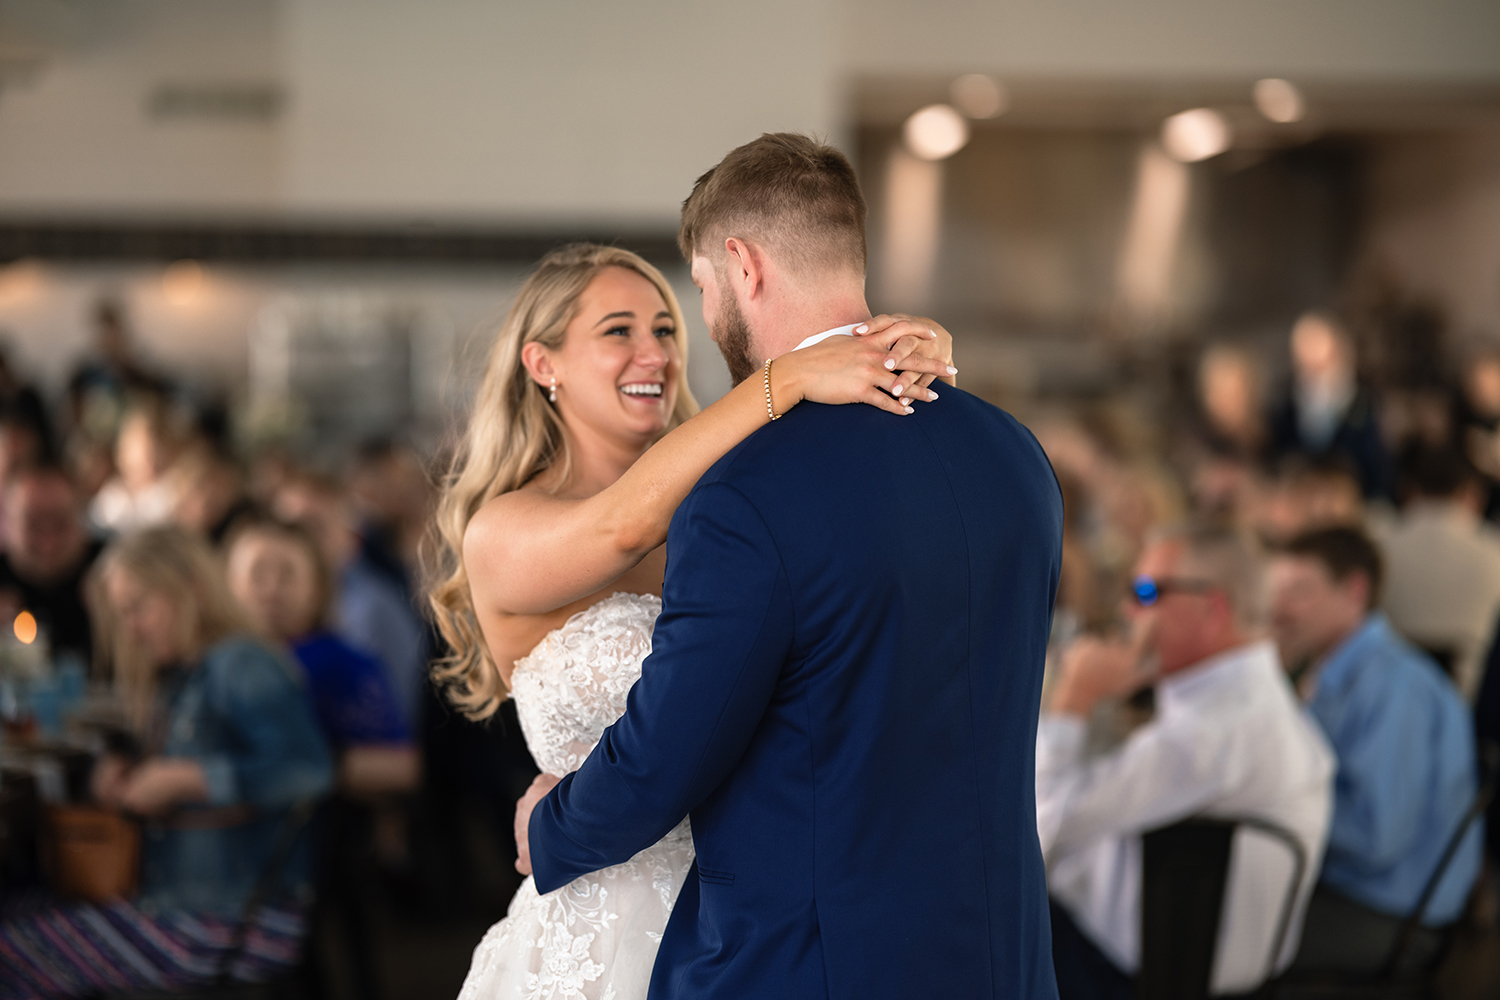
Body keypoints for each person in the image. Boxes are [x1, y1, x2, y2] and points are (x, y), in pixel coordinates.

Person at [503, 133, 1061, 1000]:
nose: (696, 320)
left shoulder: (742, 494)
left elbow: (665, 755)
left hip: (811, 966)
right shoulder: (1012, 454)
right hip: (1001, 956)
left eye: (696, 288)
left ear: (742, 266)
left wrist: (554, 829)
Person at [436, 224, 955, 996]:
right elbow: (622, 524)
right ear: (543, 363)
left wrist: (907, 354)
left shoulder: (728, 509)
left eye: (668, 330)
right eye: (619, 332)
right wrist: (786, 379)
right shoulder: (504, 529)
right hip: (598, 925)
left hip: (753, 918)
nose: (656, 354)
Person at [0, 526, 333, 998]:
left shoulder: (240, 662)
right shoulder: (184, 671)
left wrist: (186, 780)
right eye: (123, 613)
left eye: (139, 607)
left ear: (190, 588)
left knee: (11, 950)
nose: (131, 627)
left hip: (236, 917)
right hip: (189, 899)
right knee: (14, 910)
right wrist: (122, 776)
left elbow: (308, 770)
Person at [1037, 522, 1333, 999]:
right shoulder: (1242, 702)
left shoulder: (1216, 729)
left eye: (1147, 591)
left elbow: (1038, 827)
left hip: (1141, 974)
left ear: (1210, 608)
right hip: (1167, 951)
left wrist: (1075, 696)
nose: (1128, 610)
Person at [1269, 526, 1481, 974]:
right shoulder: (1330, 670)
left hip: (1387, 914)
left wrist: (1275, 804)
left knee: (1211, 937)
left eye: (1299, 591)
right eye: (1276, 591)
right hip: (1352, 893)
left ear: (1355, 592)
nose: (1279, 608)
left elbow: (1375, 837)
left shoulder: (1394, 686)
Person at [224, 513, 416, 792]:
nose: (272, 588)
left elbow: (402, 767)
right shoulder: (214, 661)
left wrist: (315, 764)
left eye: (288, 574)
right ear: (228, 582)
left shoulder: (345, 665)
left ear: (317, 586)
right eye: (258, 573)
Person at [274, 470, 429, 728]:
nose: (300, 544)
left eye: (314, 528)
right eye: (289, 531)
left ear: (348, 535)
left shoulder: (365, 608)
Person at [1376, 446, 1500, 697]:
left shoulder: (1380, 549)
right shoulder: (1492, 551)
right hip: (1473, 700)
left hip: (1389, 694)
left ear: (1408, 491)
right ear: (1472, 494)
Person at [1268, 311, 1393, 501]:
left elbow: (1376, 463)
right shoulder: (1286, 410)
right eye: (1306, 360)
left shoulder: (1365, 404)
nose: (1314, 367)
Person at [0, 464, 103, 662]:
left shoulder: (114, 571)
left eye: (60, 523)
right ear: (9, 523)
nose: (49, 542)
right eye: (34, 525)